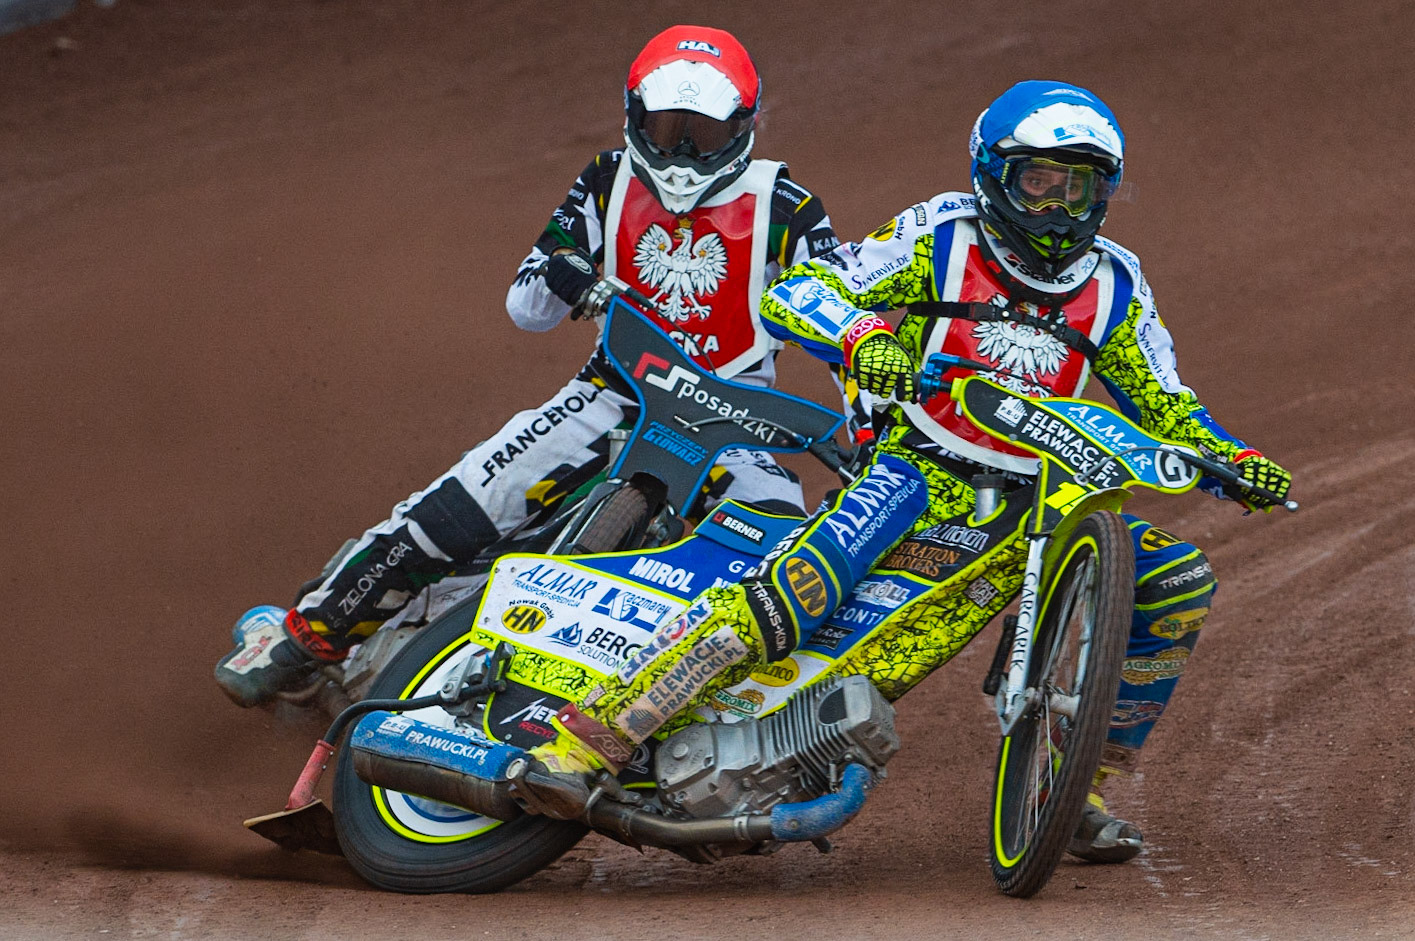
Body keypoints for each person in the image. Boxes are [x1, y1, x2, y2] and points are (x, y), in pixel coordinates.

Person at [509, 80, 1293, 864]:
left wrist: (1235, 459)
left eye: (1077, 187)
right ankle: (589, 739)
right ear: (993, 173)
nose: (1058, 206)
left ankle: (1076, 779)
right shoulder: (941, 233)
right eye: (1038, 182)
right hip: (914, 468)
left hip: (1036, 500)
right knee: (795, 597)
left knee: (1176, 578)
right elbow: (803, 289)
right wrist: (863, 337)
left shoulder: (1118, 283)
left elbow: (1166, 402)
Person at [215, 26, 841, 709]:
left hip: (730, 419)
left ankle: (736, 712)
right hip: (613, 393)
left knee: (784, 557)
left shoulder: (787, 207)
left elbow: (840, 324)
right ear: (635, 117)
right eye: (668, 130)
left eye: (704, 133)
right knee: (461, 508)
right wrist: (566, 275)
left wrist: (867, 426)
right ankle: (302, 640)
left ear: (743, 125)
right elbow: (526, 307)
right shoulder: (607, 179)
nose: (683, 153)